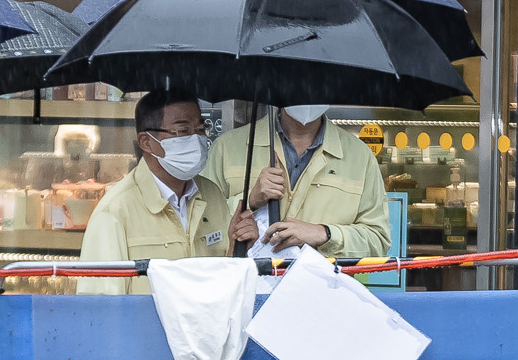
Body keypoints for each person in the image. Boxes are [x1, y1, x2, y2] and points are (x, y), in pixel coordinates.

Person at [76, 90, 231, 295]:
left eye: (201, 129)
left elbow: (225, 277)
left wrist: (238, 248)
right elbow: (99, 305)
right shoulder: (115, 212)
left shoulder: (212, 195)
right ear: (146, 142)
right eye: (183, 131)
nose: (196, 140)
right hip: (144, 327)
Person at [213, 104, 393, 260]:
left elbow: (378, 241)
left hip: (322, 294)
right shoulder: (227, 148)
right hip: (250, 292)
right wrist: (250, 201)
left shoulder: (360, 157)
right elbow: (198, 230)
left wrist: (325, 234)